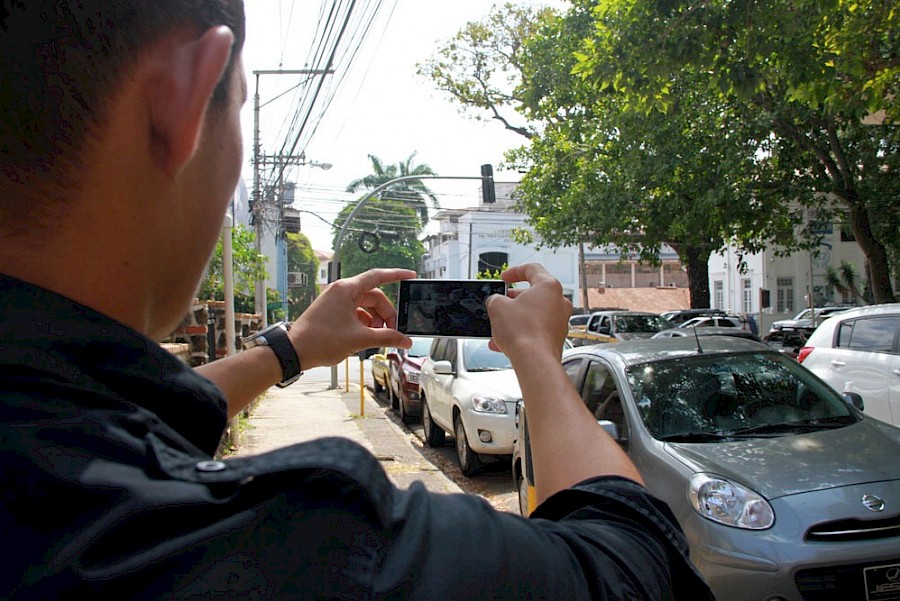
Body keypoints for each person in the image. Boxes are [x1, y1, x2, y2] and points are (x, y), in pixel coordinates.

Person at [0, 2, 715, 599]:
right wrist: (535, 356)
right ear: (185, 93)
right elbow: (638, 560)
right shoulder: (309, 546)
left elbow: (125, 422)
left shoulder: (51, 449)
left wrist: (290, 349)